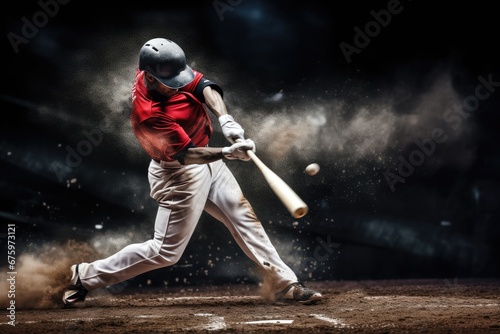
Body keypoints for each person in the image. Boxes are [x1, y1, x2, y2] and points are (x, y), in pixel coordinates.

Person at [62, 37, 323, 306]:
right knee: (165, 252)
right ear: (149, 79)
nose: (178, 87)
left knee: (243, 218)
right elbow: (188, 155)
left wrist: (225, 118)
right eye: (170, 84)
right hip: (179, 174)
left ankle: (284, 283)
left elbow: (203, 86)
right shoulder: (148, 114)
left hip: (209, 160)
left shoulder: (166, 71)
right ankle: (83, 277)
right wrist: (227, 153)